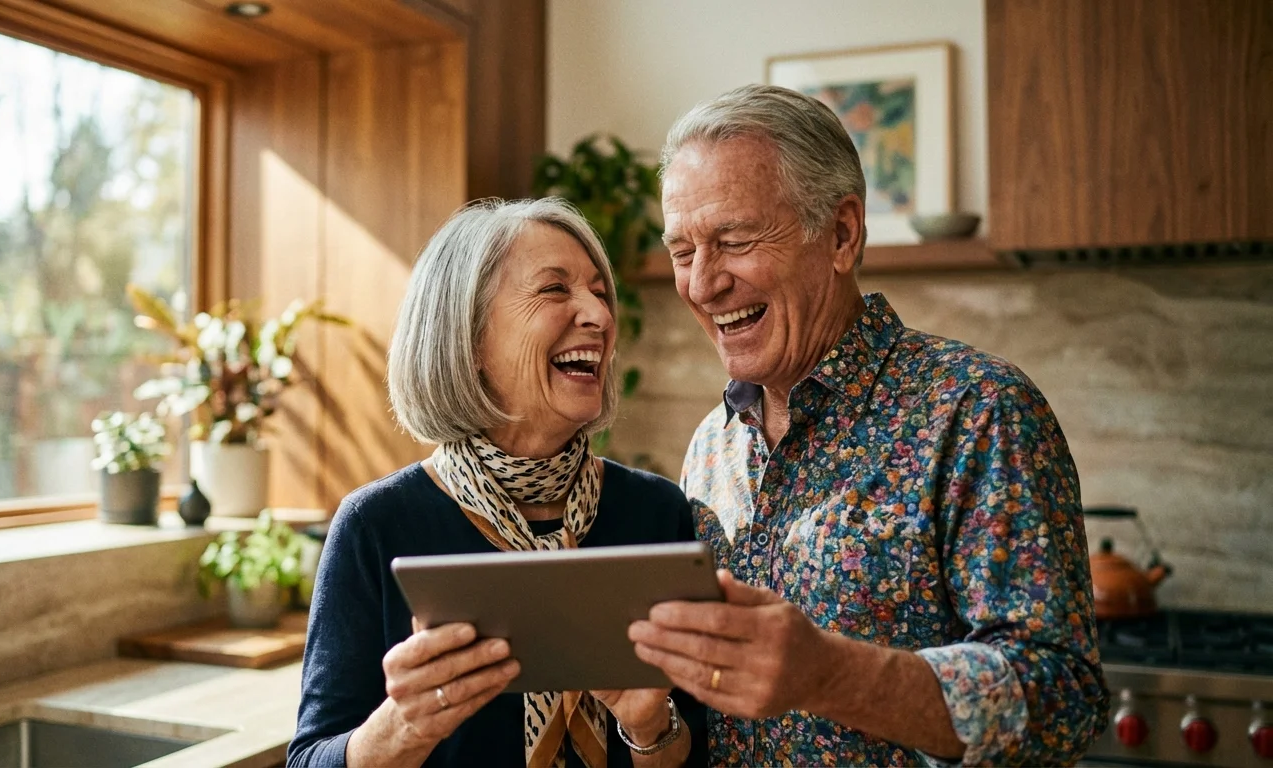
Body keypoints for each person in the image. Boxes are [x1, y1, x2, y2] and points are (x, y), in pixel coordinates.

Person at [626, 84, 1109, 766]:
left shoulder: (977, 410)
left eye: (733, 241)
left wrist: (830, 675)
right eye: (682, 252)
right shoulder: (712, 444)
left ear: (842, 234)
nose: (702, 285)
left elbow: (1065, 701)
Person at [288, 198, 707, 768]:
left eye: (599, 292)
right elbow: (309, 758)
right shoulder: (375, 525)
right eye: (556, 290)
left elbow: (699, 752)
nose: (600, 317)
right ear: (470, 337)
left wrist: (649, 725)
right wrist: (402, 728)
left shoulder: (656, 513)